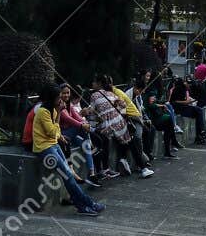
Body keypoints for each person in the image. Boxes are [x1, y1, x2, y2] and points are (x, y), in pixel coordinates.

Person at [32, 86, 104, 216]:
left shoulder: (52, 110)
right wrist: (59, 113)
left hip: (53, 144)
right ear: (52, 98)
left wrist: (60, 134)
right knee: (68, 175)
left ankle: (82, 205)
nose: (61, 100)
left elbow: (57, 131)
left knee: (68, 175)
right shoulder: (43, 112)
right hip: (43, 148)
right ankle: (88, 204)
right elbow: (53, 131)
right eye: (59, 97)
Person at [88, 78, 145, 175]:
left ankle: (104, 169)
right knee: (129, 143)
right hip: (120, 123)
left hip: (108, 126)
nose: (92, 84)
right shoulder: (111, 94)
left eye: (93, 82)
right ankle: (141, 167)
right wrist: (115, 111)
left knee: (102, 141)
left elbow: (92, 115)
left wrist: (92, 127)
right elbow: (123, 105)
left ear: (99, 84)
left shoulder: (94, 95)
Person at [107, 75, 155, 175]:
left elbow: (138, 110)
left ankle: (143, 160)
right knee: (135, 138)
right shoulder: (123, 94)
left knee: (148, 131)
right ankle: (143, 162)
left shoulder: (119, 93)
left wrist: (145, 120)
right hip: (130, 120)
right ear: (136, 89)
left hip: (133, 119)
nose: (142, 93)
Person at [56, 86, 100, 184]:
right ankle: (92, 141)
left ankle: (92, 174)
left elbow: (78, 117)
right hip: (62, 134)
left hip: (72, 134)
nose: (66, 95)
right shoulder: (59, 105)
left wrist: (85, 124)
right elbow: (68, 119)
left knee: (86, 145)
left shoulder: (69, 105)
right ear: (59, 94)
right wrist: (83, 126)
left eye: (68, 93)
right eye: (64, 93)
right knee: (81, 128)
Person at [143, 71, 181, 159]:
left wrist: (161, 104)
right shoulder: (152, 90)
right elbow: (151, 105)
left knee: (168, 126)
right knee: (168, 120)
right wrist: (162, 105)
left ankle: (168, 150)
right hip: (152, 117)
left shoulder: (152, 88)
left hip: (155, 116)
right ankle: (172, 143)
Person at [169, 75, 206, 144]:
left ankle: (200, 134)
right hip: (178, 108)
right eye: (188, 84)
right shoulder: (178, 89)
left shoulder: (185, 89)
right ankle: (201, 132)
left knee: (198, 111)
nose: (189, 86)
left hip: (184, 107)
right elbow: (173, 101)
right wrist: (186, 102)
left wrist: (190, 101)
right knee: (198, 111)